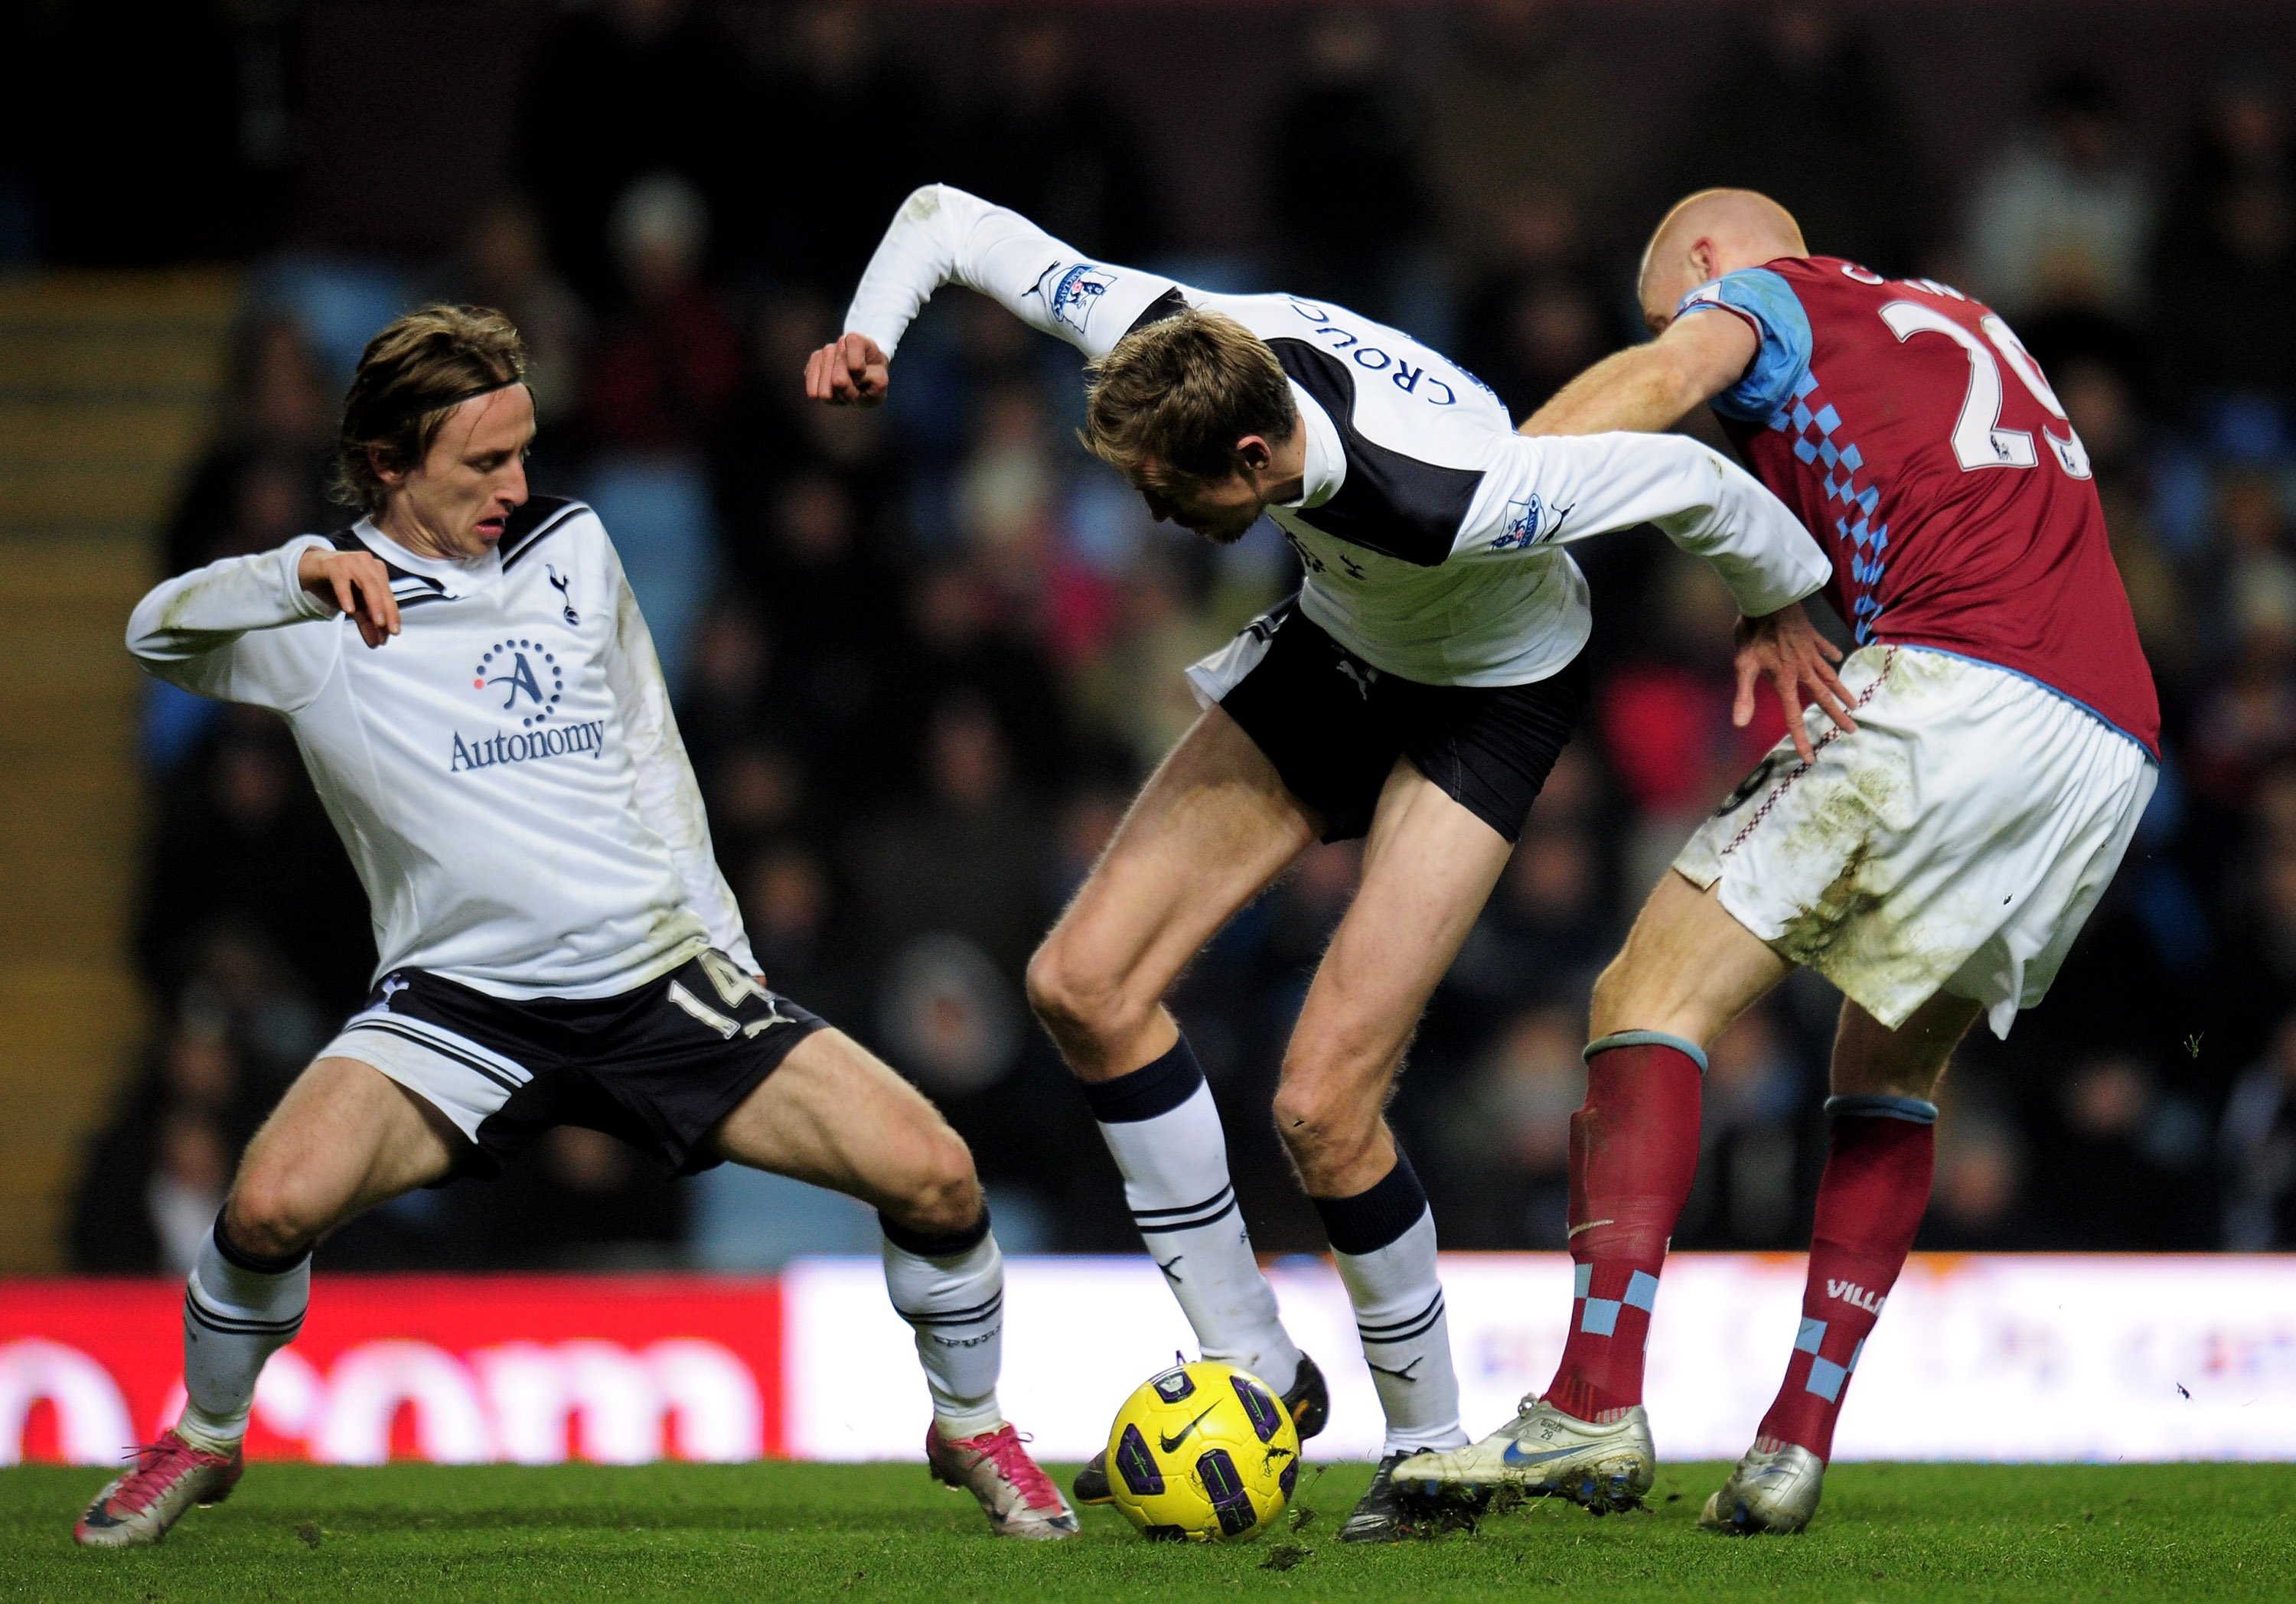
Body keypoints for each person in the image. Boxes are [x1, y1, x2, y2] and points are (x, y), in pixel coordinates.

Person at [806, 185, 1836, 1539]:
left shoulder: (1457, 498)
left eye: (1171, 493)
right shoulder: (1170, 337)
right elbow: (946, 219)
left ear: (1249, 455)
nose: (1155, 514)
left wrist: (1779, 600)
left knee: (1321, 1102)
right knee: (1083, 984)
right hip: (1341, 645)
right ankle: (1259, 1367)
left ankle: (1429, 1449)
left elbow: (1697, 478)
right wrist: (868, 332)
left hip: (1490, 697)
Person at [76, 306, 1076, 1547]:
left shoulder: (573, 544)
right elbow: (152, 631)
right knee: (269, 1210)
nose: (517, 484)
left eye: (523, 452)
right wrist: (289, 570)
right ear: (389, 464)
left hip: (658, 982)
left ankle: (971, 1424)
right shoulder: (320, 614)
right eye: (482, 463)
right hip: (458, 1010)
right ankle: (207, 1438)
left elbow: (649, 749)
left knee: (936, 1172)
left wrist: (720, 936)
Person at [1395, 189, 2160, 1534]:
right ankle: (1795, 1441)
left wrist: (1481, 492)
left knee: (1644, 997)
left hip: (1954, 684)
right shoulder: (1952, 315)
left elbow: (1664, 378)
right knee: (1891, 1069)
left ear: (1705, 263)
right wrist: (1786, 598)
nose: (1692, 346)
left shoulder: (1762, 298)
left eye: (1675, 301)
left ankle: (1590, 1401)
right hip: (2105, 744)